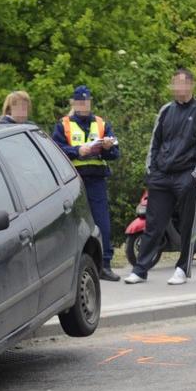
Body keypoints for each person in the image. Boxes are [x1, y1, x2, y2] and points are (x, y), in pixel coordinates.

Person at [125, 68, 196, 286]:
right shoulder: (165, 110)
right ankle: (140, 269)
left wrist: (194, 175)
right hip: (161, 176)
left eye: (183, 84)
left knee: (186, 225)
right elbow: (155, 142)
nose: (179, 89)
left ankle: (182, 269)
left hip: (187, 176)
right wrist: (151, 170)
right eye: (175, 84)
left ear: (191, 85)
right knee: (153, 224)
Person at [50, 84, 122, 282]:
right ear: (74, 103)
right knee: (72, 225)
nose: (83, 104)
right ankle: (69, 268)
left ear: (90, 102)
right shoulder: (63, 124)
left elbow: (115, 153)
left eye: (86, 101)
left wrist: (107, 147)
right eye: (79, 101)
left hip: (96, 179)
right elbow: (55, 149)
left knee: (102, 223)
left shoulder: (101, 123)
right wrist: (77, 151)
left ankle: (105, 265)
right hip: (73, 182)